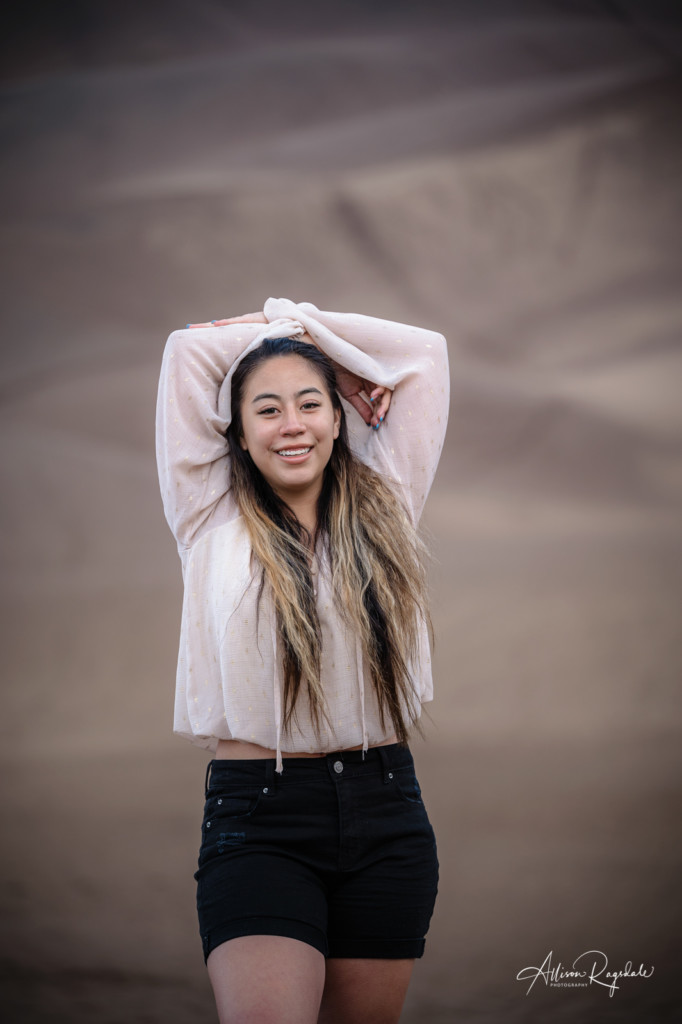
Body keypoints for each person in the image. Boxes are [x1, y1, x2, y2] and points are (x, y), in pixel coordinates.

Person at [156, 297, 449, 1024]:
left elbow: (426, 355)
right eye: (267, 410)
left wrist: (319, 339)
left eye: (311, 403)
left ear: (340, 416)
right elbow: (184, 354)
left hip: (387, 814)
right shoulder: (208, 514)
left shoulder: (389, 498)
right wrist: (287, 326)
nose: (293, 425)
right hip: (260, 820)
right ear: (240, 434)